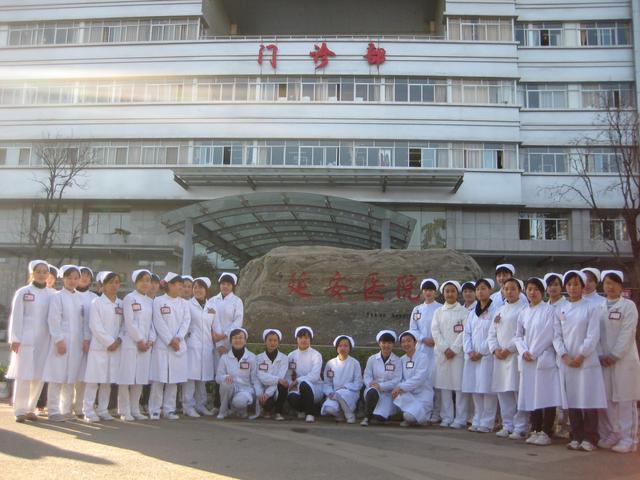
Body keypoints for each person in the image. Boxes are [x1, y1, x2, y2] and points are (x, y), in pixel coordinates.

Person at [553, 270, 607, 452]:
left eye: (576, 284)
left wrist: (581, 355)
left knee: (589, 399)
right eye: (569, 285)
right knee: (573, 400)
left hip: (586, 361)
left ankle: (590, 438)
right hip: (567, 362)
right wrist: (564, 355)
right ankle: (576, 436)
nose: (572, 288)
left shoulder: (591, 308)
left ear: (583, 287)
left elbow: (593, 335)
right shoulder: (561, 309)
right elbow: (556, 336)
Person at [515, 277, 562, 446]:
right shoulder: (523, 312)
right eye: (529, 289)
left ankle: (546, 431)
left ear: (542, 292)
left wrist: (533, 352)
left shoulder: (549, 310)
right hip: (528, 359)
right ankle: (535, 428)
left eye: (536, 289)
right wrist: (523, 351)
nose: (532, 292)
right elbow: (518, 335)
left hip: (543, 358)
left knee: (547, 395)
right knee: (531, 394)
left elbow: (549, 334)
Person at [597, 270, 640, 453]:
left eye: (614, 283)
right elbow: (595, 334)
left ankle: (629, 438)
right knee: (607, 399)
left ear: (621, 286)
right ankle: (613, 433)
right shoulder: (599, 307)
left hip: (623, 360)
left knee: (625, 399)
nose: (611, 287)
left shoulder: (628, 306)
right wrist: (601, 354)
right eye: (607, 283)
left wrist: (614, 355)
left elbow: (627, 333)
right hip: (604, 361)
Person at [7, 259, 52, 422]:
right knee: (23, 374)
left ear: (48, 275)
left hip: (45, 339)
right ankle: (20, 410)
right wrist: (14, 338)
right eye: (38, 272)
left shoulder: (52, 294)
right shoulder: (23, 292)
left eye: (45, 272)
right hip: (25, 338)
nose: (41, 275)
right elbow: (16, 316)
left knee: (39, 375)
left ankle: (30, 408)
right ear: (32, 273)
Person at [42, 265, 84, 422]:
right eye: (69, 278)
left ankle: (66, 410)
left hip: (76, 343)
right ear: (63, 278)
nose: (73, 281)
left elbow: (83, 322)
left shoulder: (80, 298)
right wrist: (59, 340)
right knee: (57, 376)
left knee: (70, 377)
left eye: (76, 278)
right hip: (61, 341)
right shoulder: (57, 297)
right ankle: (53, 410)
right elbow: (53, 320)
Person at [488, 278, 529, 439]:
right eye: (506, 289)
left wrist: (509, 348)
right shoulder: (499, 310)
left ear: (519, 291)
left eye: (513, 289)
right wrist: (495, 349)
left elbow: (523, 333)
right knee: (503, 392)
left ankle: (520, 426)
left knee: (517, 392)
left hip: (515, 355)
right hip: (500, 357)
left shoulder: (524, 309)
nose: (509, 292)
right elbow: (492, 333)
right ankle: (507, 424)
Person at [149, 272, 190, 420]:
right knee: (159, 379)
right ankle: (154, 409)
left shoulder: (184, 303)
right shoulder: (158, 301)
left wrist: (178, 338)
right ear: (170, 285)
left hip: (178, 345)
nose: (181, 288)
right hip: (163, 345)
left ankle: (169, 409)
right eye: (179, 285)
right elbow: (158, 322)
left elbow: (186, 322)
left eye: (182, 285)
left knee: (174, 379)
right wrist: (170, 340)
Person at [83, 271, 123, 422]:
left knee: (107, 381)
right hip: (99, 348)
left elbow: (124, 325)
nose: (114, 285)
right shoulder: (97, 303)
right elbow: (95, 325)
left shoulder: (121, 303)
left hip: (115, 348)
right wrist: (109, 342)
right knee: (93, 380)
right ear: (103, 285)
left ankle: (103, 410)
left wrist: (118, 340)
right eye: (110, 282)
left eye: (117, 282)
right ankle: (88, 410)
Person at [118, 269, 155, 421]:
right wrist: (139, 340)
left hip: (145, 346)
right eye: (142, 280)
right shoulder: (129, 298)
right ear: (136, 282)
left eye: (148, 280)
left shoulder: (150, 301)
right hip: (131, 343)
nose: (145, 283)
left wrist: (150, 340)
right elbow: (129, 322)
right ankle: (124, 410)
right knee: (126, 378)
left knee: (140, 379)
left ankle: (135, 409)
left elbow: (152, 324)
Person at [462, 278, 498, 433]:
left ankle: (487, 422)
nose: (480, 292)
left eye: (483, 288)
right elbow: (467, 333)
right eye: (478, 289)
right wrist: (469, 350)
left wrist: (481, 351)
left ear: (490, 290)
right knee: (475, 388)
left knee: (487, 389)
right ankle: (477, 418)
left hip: (486, 356)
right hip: (472, 357)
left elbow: (494, 333)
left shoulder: (496, 310)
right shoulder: (472, 313)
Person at [431, 280, 469, 429]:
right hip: (442, 355)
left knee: (459, 387)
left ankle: (460, 418)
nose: (450, 294)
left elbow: (465, 332)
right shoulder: (438, 312)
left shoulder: (464, 312)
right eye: (447, 291)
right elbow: (435, 332)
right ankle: (446, 417)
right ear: (443, 293)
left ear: (457, 293)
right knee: (444, 386)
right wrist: (445, 348)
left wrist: (454, 349)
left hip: (457, 355)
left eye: (452, 291)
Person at [409, 277, 443, 423]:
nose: (428, 293)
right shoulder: (417, 309)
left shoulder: (441, 308)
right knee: (423, 382)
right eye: (426, 290)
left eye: (431, 290)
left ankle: (437, 412)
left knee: (437, 381)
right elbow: (413, 329)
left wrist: (436, 341)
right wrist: (423, 339)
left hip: (437, 350)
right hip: (422, 349)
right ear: (422, 292)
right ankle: (424, 411)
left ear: (435, 292)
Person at [183, 276, 216, 417]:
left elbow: (214, 327)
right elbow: (184, 324)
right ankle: (188, 406)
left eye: (200, 287)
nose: (197, 290)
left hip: (207, 346)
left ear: (206, 290)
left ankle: (200, 405)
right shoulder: (187, 305)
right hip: (192, 345)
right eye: (195, 287)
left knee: (202, 378)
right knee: (191, 377)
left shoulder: (211, 307)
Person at [392, 330, 433, 427]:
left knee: (410, 417)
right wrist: (400, 387)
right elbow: (399, 378)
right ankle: (413, 418)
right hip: (407, 394)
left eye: (409, 341)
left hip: (422, 394)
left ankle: (423, 418)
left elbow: (419, 378)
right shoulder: (401, 360)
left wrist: (401, 387)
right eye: (403, 342)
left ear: (415, 342)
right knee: (407, 414)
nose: (406, 344)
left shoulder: (423, 357)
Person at [216, 328, 258, 420]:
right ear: (231, 341)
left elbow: (255, 379)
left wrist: (259, 394)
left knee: (239, 402)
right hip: (230, 389)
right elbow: (218, 378)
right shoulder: (225, 357)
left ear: (245, 341)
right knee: (225, 384)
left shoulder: (252, 357)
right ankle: (223, 411)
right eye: (235, 338)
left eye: (240, 338)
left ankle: (239, 409)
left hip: (246, 390)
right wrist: (225, 377)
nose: (238, 340)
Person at [361, 330, 401, 426]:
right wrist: (371, 384)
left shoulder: (397, 361)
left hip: (388, 394)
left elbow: (397, 380)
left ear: (393, 344)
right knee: (372, 392)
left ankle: (381, 414)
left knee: (380, 418)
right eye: (383, 342)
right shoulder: (372, 359)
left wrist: (381, 386)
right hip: (373, 390)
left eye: (389, 343)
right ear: (379, 343)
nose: (386, 345)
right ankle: (367, 417)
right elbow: (367, 375)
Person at [321, 335, 363, 424]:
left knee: (341, 394)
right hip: (334, 394)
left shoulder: (355, 363)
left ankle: (349, 414)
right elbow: (327, 383)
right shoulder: (330, 363)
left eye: (346, 346)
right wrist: (330, 392)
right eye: (340, 345)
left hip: (350, 393)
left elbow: (358, 383)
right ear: (336, 348)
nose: (343, 348)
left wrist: (345, 387)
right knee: (329, 409)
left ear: (350, 348)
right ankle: (340, 414)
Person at [73, 266, 98, 417]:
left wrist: (87, 339)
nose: (85, 277)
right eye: (82, 274)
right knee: (69, 375)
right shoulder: (68, 294)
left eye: (88, 275)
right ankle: (64, 407)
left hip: (88, 342)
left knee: (84, 376)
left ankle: (79, 407)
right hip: (70, 340)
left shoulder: (94, 298)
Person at [287, 326, 324, 423]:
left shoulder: (316, 355)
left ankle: (310, 413)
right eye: (301, 337)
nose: (303, 340)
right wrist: (291, 385)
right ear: (296, 339)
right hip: (297, 387)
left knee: (304, 384)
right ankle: (301, 410)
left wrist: (298, 381)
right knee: (292, 397)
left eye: (306, 338)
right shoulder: (291, 355)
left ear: (310, 339)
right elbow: (288, 374)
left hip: (315, 387)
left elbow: (315, 376)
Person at [208, 272, 243, 364]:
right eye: (223, 284)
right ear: (219, 285)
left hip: (229, 340)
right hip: (213, 340)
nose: (225, 286)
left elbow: (238, 322)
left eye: (228, 284)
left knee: (228, 366)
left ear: (233, 286)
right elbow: (208, 321)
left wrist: (224, 335)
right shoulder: (211, 301)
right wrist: (215, 338)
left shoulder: (237, 301)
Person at [255, 329, 289, 421]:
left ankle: (278, 412)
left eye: (275, 340)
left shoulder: (284, 358)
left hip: (276, 388)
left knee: (283, 385)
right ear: (265, 341)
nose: (272, 343)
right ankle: (267, 411)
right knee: (267, 402)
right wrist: (263, 393)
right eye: (270, 340)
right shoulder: (258, 358)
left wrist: (268, 393)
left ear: (278, 342)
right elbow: (260, 376)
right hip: (263, 388)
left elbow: (281, 378)